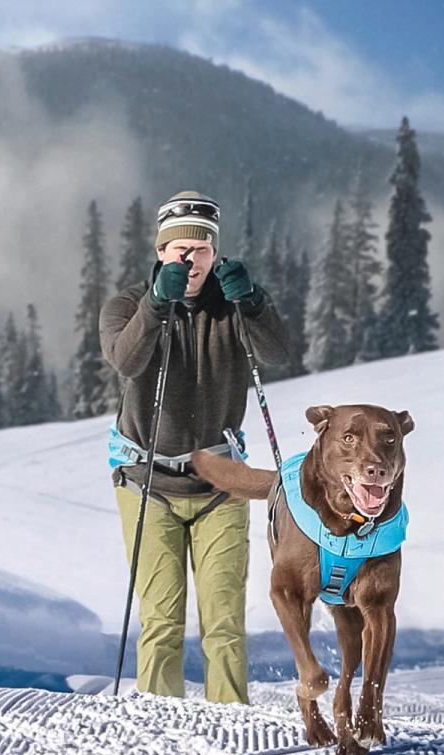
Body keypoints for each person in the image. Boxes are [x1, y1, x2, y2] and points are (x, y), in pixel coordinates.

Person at [99, 190, 290, 704]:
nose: (190, 259)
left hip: (221, 483)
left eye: (201, 249)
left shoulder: (231, 304)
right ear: (161, 251)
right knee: (161, 621)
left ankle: (230, 726)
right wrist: (155, 305)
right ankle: (159, 726)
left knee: (224, 622)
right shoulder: (126, 305)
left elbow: (277, 352)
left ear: (214, 253)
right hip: (146, 483)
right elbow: (127, 360)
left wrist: (253, 303)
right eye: (180, 249)